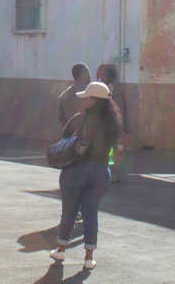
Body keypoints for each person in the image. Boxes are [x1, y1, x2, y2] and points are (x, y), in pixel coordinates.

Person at [49, 81, 122, 270]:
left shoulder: (80, 119)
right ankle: (89, 258)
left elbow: (65, 138)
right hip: (101, 172)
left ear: (94, 101)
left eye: (86, 99)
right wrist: (112, 169)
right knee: (91, 214)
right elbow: (113, 151)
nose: (82, 102)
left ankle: (61, 250)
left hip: (77, 170)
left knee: (70, 211)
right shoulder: (112, 124)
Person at [99, 66, 129, 183]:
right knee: (105, 149)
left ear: (111, 78)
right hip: (103, 122)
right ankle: (106, 172)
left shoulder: (116, 90)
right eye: (102, 75)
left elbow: (120, 109)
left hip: (112, 123)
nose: (102, 77)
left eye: (105, 76)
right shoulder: (100, 88)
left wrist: (118, 125)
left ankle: (116, 173)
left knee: (114, 148)